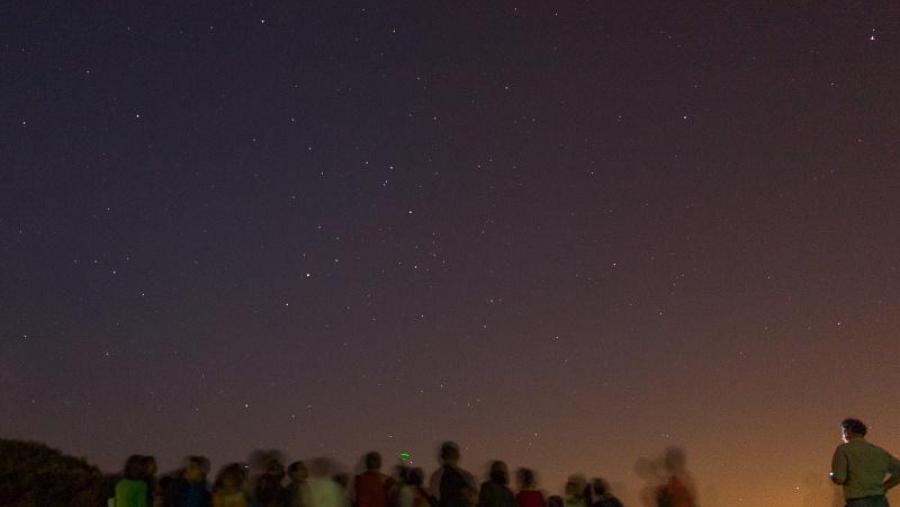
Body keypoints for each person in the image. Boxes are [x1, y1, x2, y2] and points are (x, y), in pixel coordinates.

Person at [831, 418, 900, 507]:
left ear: (847, 431)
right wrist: (885, 487)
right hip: (880, 501)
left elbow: (839, 479)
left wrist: (832, 475)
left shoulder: (844, 450)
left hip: (858, 501)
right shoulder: (879, 451)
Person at [429, 442, 476, 507]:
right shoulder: (465, 475)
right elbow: (473, 498)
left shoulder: (435, 476)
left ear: (442, 456)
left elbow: (434, 497)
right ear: (458, 456)